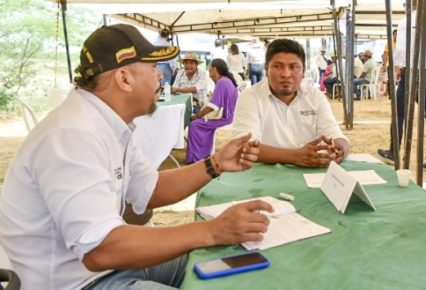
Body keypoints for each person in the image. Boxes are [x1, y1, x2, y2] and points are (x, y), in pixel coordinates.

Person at [0, 24, 272, 290]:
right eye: (153, 69)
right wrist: (211, 231)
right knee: (214, 251)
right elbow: (101, 249)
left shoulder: (106, 123)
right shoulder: (72, 136)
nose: (160, 78)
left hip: (111, 269)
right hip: (80, 282)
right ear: (124, 79)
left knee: (228, 262)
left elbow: (151, 188)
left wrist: (216, 163)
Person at [230, 39, 350, 168]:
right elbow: (245, 147)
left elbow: (334, 134)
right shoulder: (250, 97)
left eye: (293, 67)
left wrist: (340, 149)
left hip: (309, 172)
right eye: (277, 66)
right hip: (262, 175)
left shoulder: (314, 96)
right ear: (266, 69)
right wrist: (294, 156)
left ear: (303, 70)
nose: (286, 74)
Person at [377, 0, 426, 174]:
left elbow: (402, 50)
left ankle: (393, 152)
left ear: (408, 5)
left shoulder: (405, 21)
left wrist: (399, 68)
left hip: (413, 72)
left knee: (399, 115)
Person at [186, 58, 239, 163]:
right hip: (227, 116)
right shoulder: (225, 81)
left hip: (224, 118)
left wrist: (197, 116)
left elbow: (212, 106)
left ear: (215, 69)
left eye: (209, 68)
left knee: (194, 124)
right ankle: (199, 155)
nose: (208, 70)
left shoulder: (222, 82)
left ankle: (197, 157)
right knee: (196, 123)